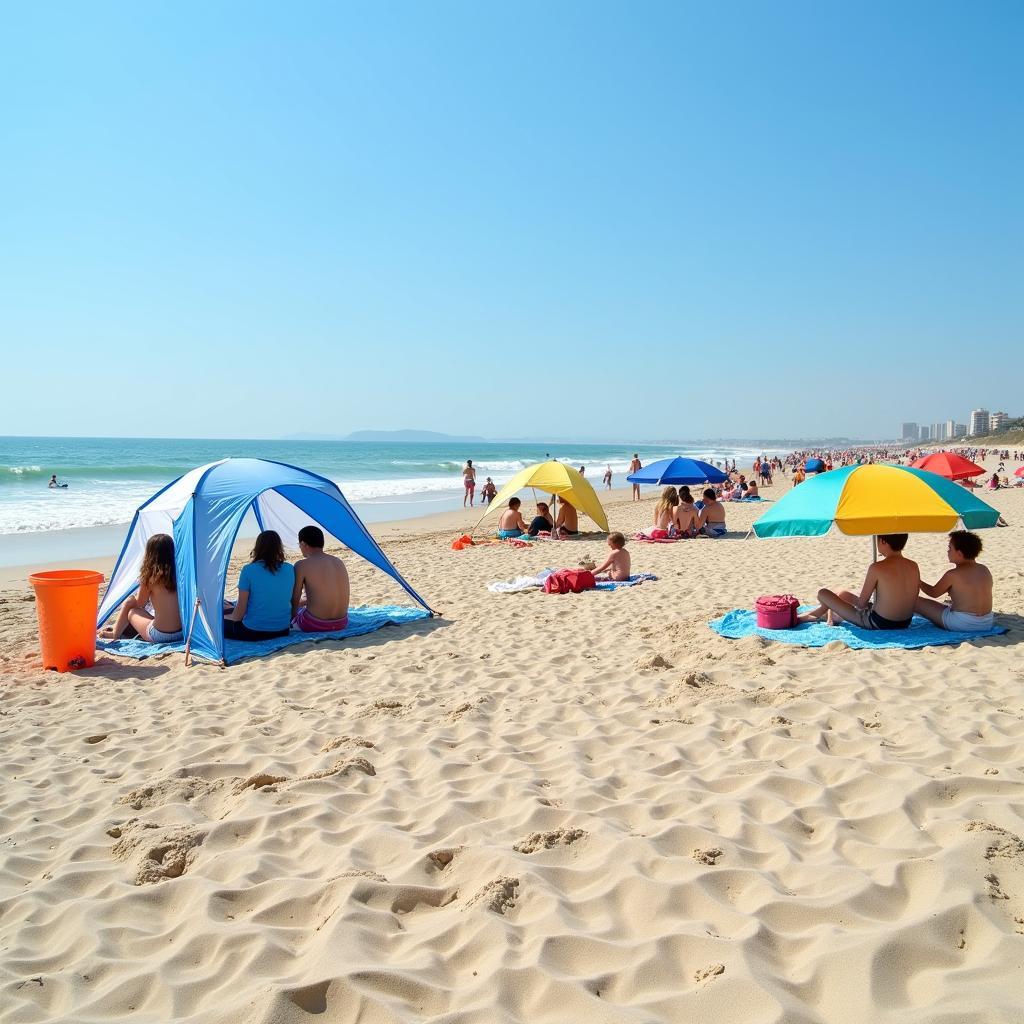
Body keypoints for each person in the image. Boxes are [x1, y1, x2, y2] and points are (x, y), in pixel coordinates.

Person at [797, 534, 919, 630]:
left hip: (880, 623)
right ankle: (821, 613)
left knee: (823, 593)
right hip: (905, 622)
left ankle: (817, 614)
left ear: (883, 541)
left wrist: (862, 607)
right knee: (843, 594)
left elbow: (861, 605)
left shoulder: (877, 568)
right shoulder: (914, 566)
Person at [98, 533, 183, 643]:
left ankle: (115, 633)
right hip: (181, 632)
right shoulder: (179, 575)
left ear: (150, 554)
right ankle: (117, 629)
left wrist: (130, 601)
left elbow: (140, 603)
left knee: (132, 610)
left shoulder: (150, 577)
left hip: (159, 635)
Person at [914, 531, 994, 632]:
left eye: (950, 548)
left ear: (960, 554)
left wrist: (918, 582)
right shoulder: (984, 569)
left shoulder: (953, 574)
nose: (948, 551)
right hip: (986, 622)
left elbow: (933, 593)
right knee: (947, 604)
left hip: (963, 623)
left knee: (915, 601)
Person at [222, 530, 295, 641]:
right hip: (283, 630)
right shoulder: (290, 568)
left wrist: (229, 619)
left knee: (217, 623)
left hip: (253, 632)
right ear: (279, 547)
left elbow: (240, 610)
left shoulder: (248, 570)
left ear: (258, 547)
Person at [292, 525, 350, 632]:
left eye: (299, 545)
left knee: (296, 611)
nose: (300, 547)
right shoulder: (338, 561)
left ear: (303, 544)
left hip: (314, 624)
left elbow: (295, 599)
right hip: (341, 623)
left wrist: (291, 618)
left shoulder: (301, 565)